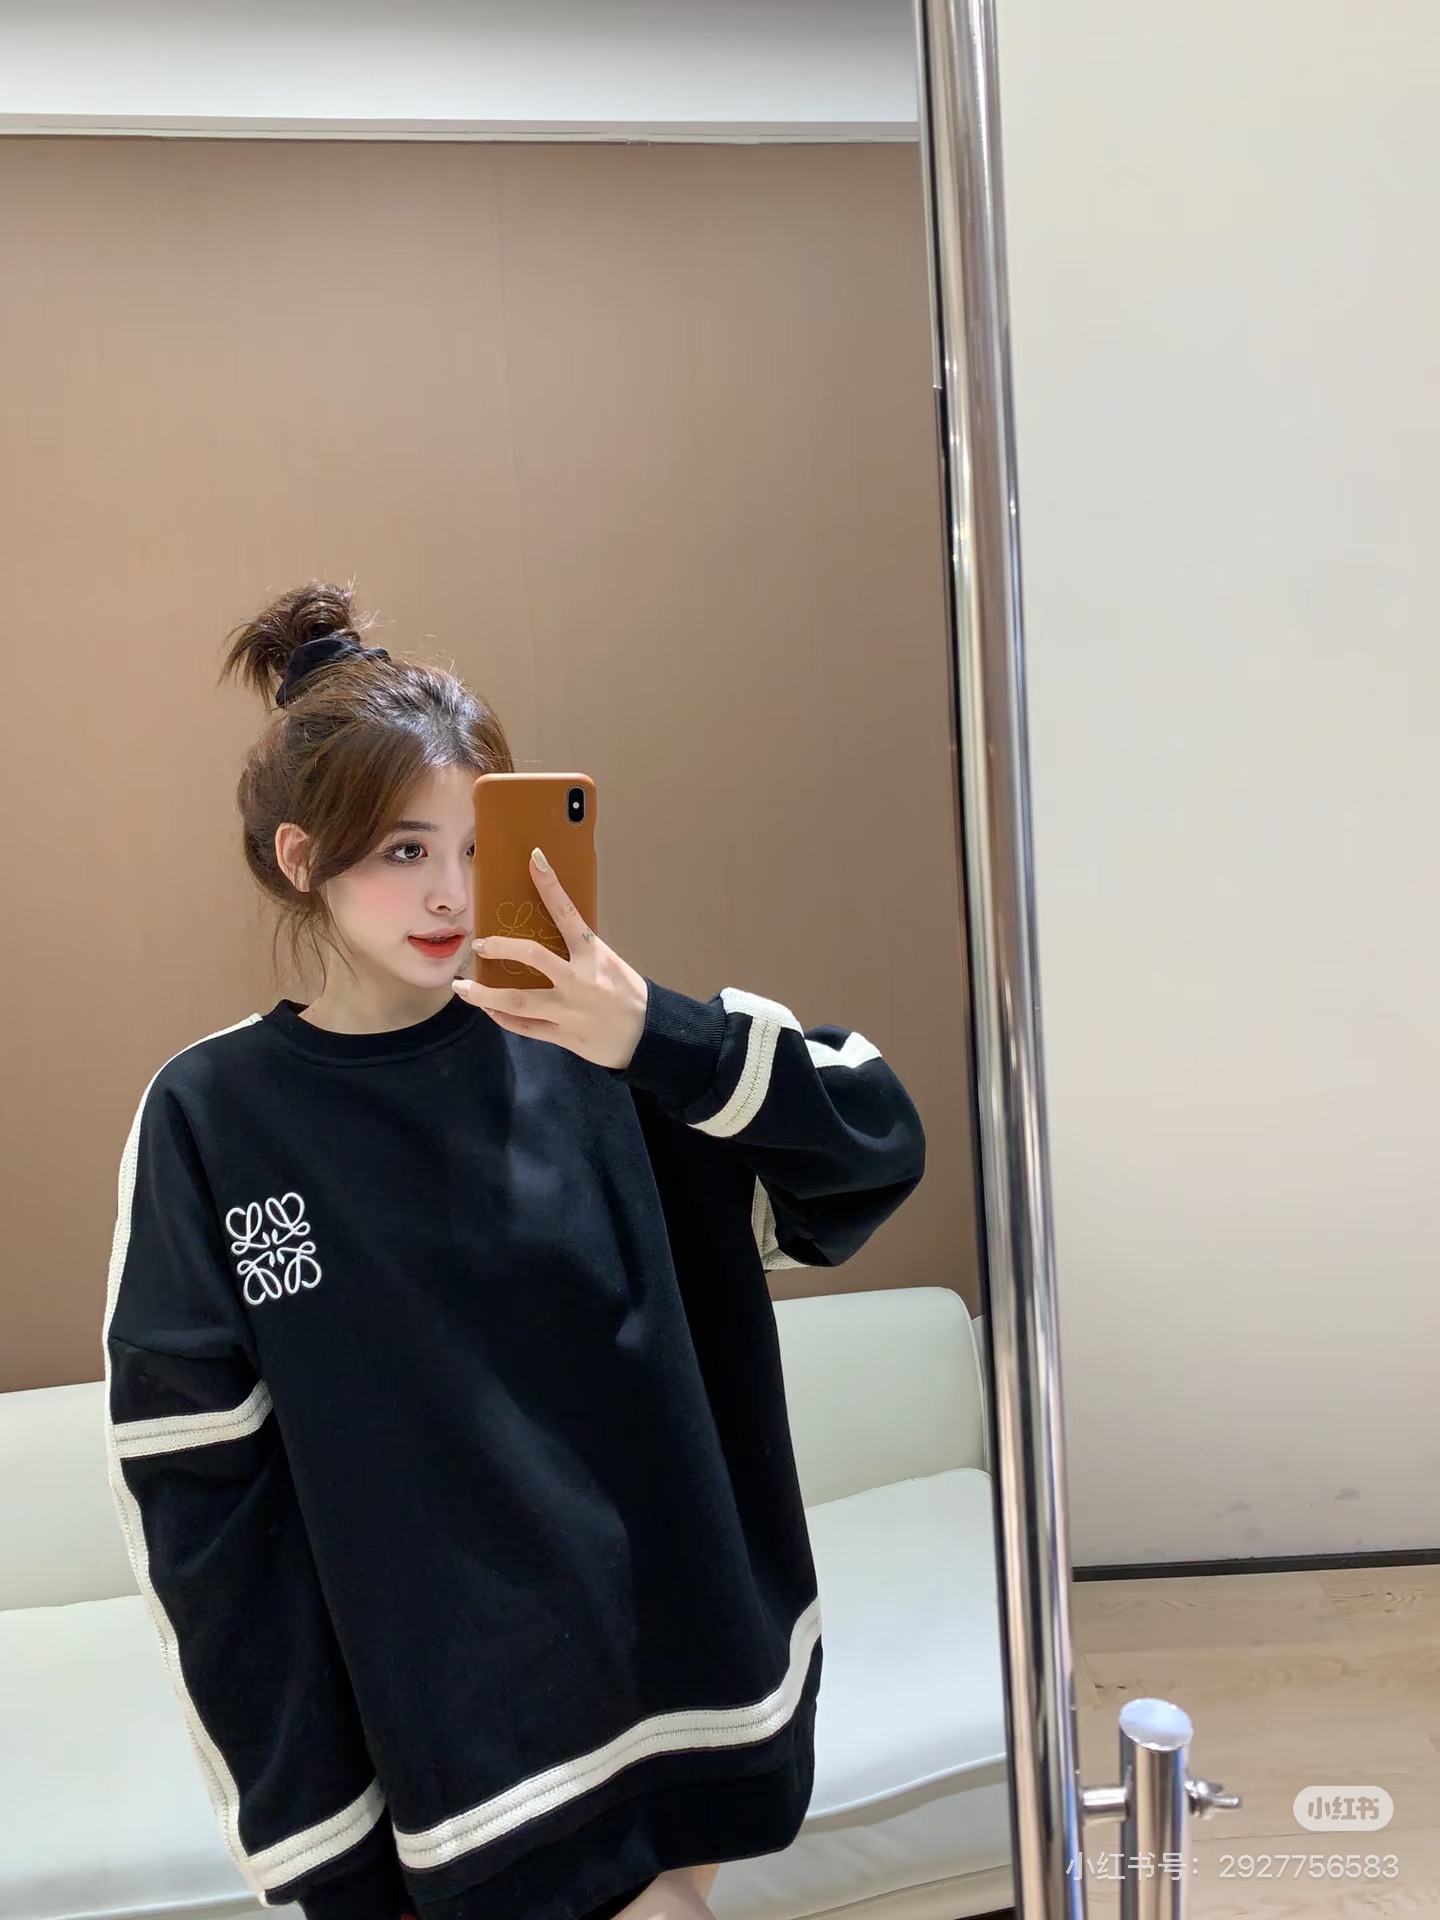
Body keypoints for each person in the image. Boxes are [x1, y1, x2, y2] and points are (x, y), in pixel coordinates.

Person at [101, 582, 927, 1920]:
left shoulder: (596, 1047)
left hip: (686, 1705)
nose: (451, 892)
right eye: (402, 849)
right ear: (302, 857)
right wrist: (318, 1837)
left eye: (478, 845)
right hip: (462, 1774)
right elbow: (199, 1494)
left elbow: (871, 1156)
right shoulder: (216, 1119)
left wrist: (655, 1035)